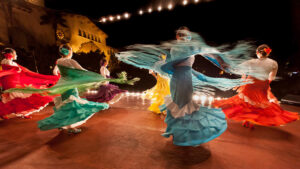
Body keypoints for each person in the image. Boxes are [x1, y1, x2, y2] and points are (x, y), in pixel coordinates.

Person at [213, 44, 299, 128]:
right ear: (268, 53)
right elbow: (271, 77)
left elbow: (237, 69)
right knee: (259, 104)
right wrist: (265, 84)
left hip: (251, 84)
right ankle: (249, 119)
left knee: (245, 103)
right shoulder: (273, 63)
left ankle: (246, 119)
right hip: (263, 85)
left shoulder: (251, 62)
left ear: (257, 52)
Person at [0, 48, 58, 119]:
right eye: (15, 53)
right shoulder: (7, 62)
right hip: (12, 84)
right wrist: (16, 70)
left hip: (16, 83)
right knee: (22, 98)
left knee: (21, 99)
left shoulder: (10, 62)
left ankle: (23, 113)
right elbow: (12, 71)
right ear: (11, 54)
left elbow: (24, 71)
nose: (17, 55)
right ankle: (3, 113)